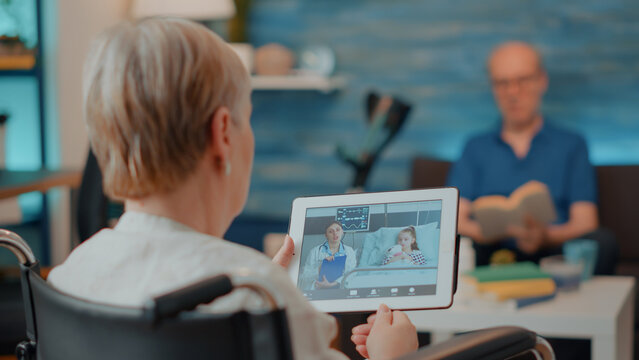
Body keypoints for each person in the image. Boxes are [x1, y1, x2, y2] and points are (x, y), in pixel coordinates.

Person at [46, 18, 418, 359]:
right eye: (248, 120)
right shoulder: (262, 299)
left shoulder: (70, 275)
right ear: (223, 132)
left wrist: (261, 279)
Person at [447, 41, 617, 273]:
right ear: (493, 88)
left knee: (602, 242)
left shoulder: (572, 143)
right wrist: (489, 233)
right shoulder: (474, 147)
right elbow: (455, 218)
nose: (513, 92)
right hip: (492, 253)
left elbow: (585, 221)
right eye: (502, 83)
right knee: (459, 244)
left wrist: (545, 236)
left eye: (523, 80)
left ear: (542, 81)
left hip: (553, 252)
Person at [299, 221, 357, 290]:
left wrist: (333, 284)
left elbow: (351, 274)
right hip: (319, 288)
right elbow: (304, 276)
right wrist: (319, 269)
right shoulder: (315, 251)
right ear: (326, 235)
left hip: (340, 288)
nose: (335, 233)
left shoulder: (349, 251)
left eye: (338, 230)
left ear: (342, 232)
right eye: (330, 231)